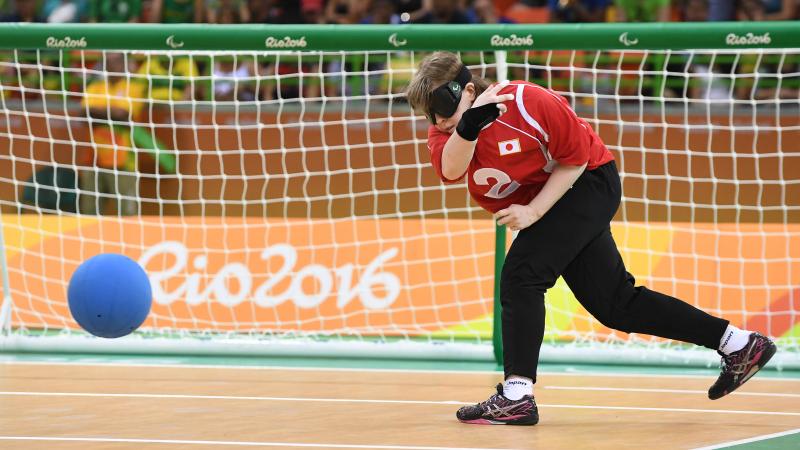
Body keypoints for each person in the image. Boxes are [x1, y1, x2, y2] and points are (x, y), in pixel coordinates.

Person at [405, 51, 777, 426]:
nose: (437, 119)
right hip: (553, 200)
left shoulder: (527, 102)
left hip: (588, 182)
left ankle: (517, 395)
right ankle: (740, 345)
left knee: (522, 274)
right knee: (616, 304)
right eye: (428, 112)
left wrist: (534, 211)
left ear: (469, 89)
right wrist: (466, 125)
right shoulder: (449, 131)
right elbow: (451, 169)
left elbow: (576, 159)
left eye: (442, 105)